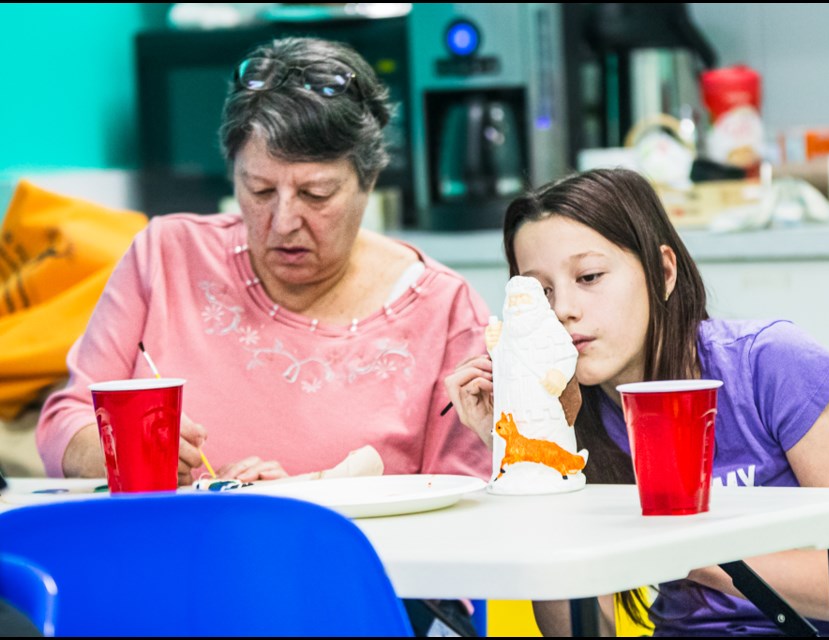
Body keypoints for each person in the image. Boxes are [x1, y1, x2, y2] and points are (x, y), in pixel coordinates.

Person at [444, 168, 829, 636]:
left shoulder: (772, 364)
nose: (563, 308)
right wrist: (527, 458)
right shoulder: (570, 414)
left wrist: (670, 538)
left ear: (663, 271)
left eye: (588, 276)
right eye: (540, 291)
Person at [37, 36, 491, 488]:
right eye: (260, 191)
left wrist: (297, 497)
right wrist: (120, 448)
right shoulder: (166, 255)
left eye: (316, 195)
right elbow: (64, 421)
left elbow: (463, 497)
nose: (283, 222)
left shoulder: (445, 310)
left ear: (368, 181)